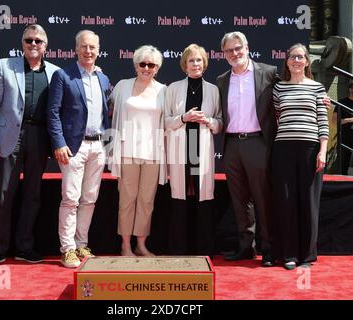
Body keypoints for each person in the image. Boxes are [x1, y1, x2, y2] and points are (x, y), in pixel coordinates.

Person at [0, 24, 59, 268]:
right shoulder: (5, 66)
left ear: (46, 45)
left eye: (38, 40)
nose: (33, 44)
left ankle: (25, 248)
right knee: (4, 194)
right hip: (8, 138)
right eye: (29, 40)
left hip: (39, 137)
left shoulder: (55, 73)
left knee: (33, 196)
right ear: (22, 43)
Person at [47, 30, 110, 268]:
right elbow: (52, 113)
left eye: (93, 47)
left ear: (98, 50)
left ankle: (82, 244)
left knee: (89, 200)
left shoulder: (102, 79)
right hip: (73, 147)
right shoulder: (64, 76)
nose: (88, 51)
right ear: (76, 49)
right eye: (84, 46)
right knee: (70, 199)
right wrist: (59, 143)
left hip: (98, 145)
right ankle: (67, 249)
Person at [216, 31, 279, 267]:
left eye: (238, 48)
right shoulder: (222, 80)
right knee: (240, 200)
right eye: (229, 50)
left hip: (258, 143)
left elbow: (293, 89)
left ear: (247, 47)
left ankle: (269, 248)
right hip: (231, 144)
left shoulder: (269, 72)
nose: (235, 53)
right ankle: (245, 247)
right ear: (223, 54)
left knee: (263, 197)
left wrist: (318, 96)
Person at [272, 43, 329, 270]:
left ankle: (307, 256)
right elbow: (277, 116)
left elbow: (323, 122)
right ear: (287, 61)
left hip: (310, 149)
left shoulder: (317, 88)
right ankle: (289, 255)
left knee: (308, 203)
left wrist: (322, 151)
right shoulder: (279, 88)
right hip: (283, 148)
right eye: (292, 57)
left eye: (301, 57)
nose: (296, 60)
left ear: (307, 61)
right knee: (286, 202)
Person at [108, 45, 167, 256]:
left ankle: (141, 245)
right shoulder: (122, 86)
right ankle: (125, 246)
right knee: (127, 200)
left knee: (146, 201)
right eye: (142, 63)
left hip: (153, 154)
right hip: (127, 152)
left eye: (151, 64)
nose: (146, 68)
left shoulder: (163, 90)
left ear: (157, 68)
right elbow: (109, 111)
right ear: (135, 65)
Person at [165, 44, 222, 256]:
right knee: (180, 199)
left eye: (199, 60)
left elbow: (220, 123)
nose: (195, 64)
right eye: (191, 60)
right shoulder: (173, 88)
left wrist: (207, 120)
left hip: (202, 149)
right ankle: (178, 249)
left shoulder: (213, 90)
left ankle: (204, 250)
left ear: (204, 64)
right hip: (181, 147)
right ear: (184, 65)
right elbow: (165, 122)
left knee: (203, 199)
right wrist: (183, 118)